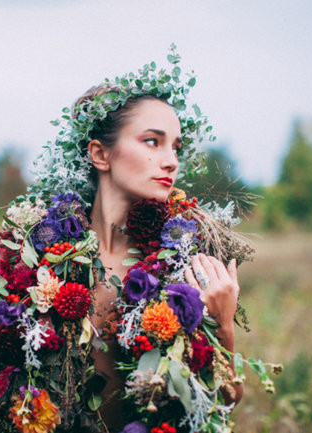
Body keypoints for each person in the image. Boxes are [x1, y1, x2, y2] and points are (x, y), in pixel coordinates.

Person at [74, 86, 243, 430]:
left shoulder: (186, 267)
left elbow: (227, 398)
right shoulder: (44, 262)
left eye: (176, 147)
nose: (171, 161)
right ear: (100, 155)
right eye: (153, 141)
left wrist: (224, 326)